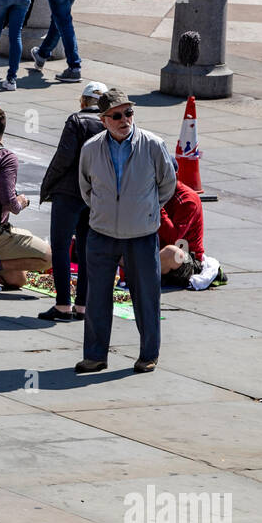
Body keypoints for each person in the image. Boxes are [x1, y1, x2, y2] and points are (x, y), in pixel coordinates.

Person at [76, 88, 177, 375]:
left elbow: (167, 184)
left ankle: (148, 354)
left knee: (146, 296)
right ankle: (95, 356)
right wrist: (103, 210)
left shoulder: (153, 145)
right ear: (104, 119)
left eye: (129, 112)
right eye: (117, 115)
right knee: (96, 297)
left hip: (141, 234)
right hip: (102, 232)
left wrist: (145, 210)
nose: (125, 120)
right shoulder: (91, 148)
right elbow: (86, 188)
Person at [38, 80, 105, 322]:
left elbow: (63, 159)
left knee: (61, 247)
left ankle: (63, 305)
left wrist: (48, 185)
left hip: (68, 193)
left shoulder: (76, 120)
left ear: (83, 102)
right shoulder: (110, 123)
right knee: (87, 250)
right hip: (94, 194)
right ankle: (83, 306)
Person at [0, 106, 50, 292]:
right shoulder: (5, 157)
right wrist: (23, 201)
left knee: (18, 280)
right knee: (48, 257)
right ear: (3, 130)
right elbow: (11, 204)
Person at [159, 180, 225, 289]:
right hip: (156, 251)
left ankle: (139, 274)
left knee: (172, 252)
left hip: (188, 261)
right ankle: (137, 272)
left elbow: (173, 238)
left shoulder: (187, 200)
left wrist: (157, 208)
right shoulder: (156, 193)